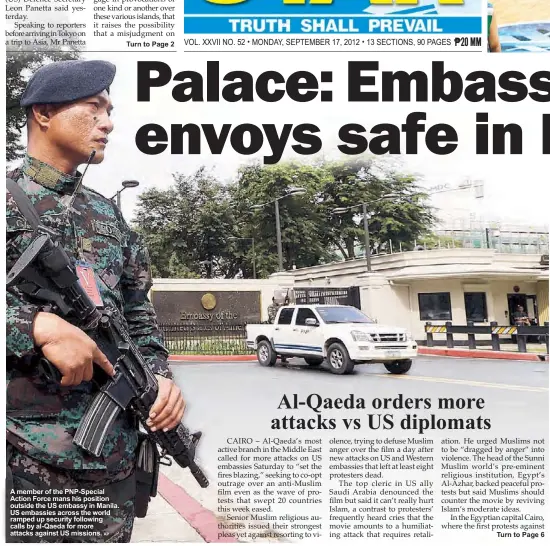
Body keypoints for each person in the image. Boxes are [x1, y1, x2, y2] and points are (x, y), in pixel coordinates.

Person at [6, 60, 185, 542]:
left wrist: (161, 379)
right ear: (43, 112)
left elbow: (139, 316)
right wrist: (34, 325)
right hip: (20, 458)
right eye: (94, 107)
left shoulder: (108, 214)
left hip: (111, 463)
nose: (108, 122)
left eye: (110, 109)